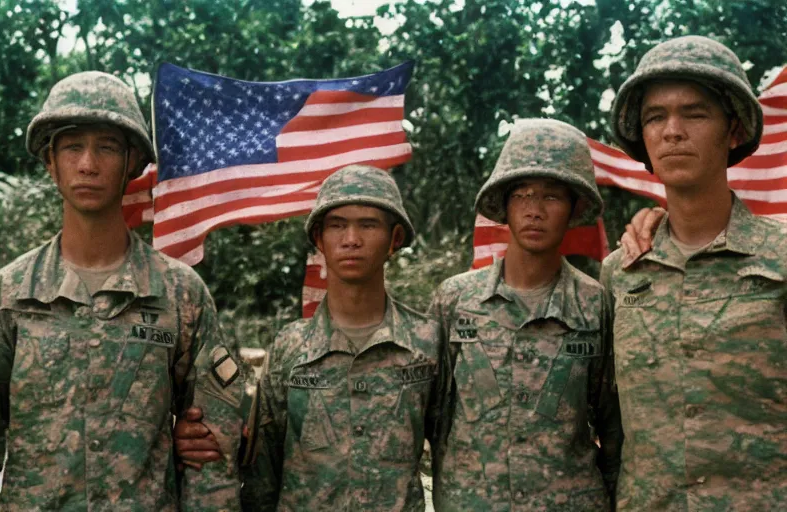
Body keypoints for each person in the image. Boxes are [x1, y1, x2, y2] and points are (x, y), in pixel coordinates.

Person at [0, 71, 245, 511]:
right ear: (50, 162)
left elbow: (210, 451)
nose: (88, 164)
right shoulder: (10, 294)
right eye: (71, 147)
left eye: (107, 147)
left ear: (132, 162)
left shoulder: (180, 294)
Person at [601, 35, 787, 510]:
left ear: (733, 130)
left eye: (696, 113)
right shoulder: (620, 272)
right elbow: (608, 422)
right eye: (654, 117)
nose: (672, 131)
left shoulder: (781, 255)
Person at [429, 119, 623, 511]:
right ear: (504, 204)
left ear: (573, 208)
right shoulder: (455, 300)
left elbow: (613, 423)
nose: (534, 210)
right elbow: (434, 417)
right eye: (522, 194)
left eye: (552, 197)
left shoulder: (594, 303)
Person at [236, 164, 442, 511]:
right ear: (319, 239)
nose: (351, 239)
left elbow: (456, 458)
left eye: (368, 224)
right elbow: (262, 475)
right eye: (337, 225)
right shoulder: (290, 348)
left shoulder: (426, 343)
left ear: (394, 239)